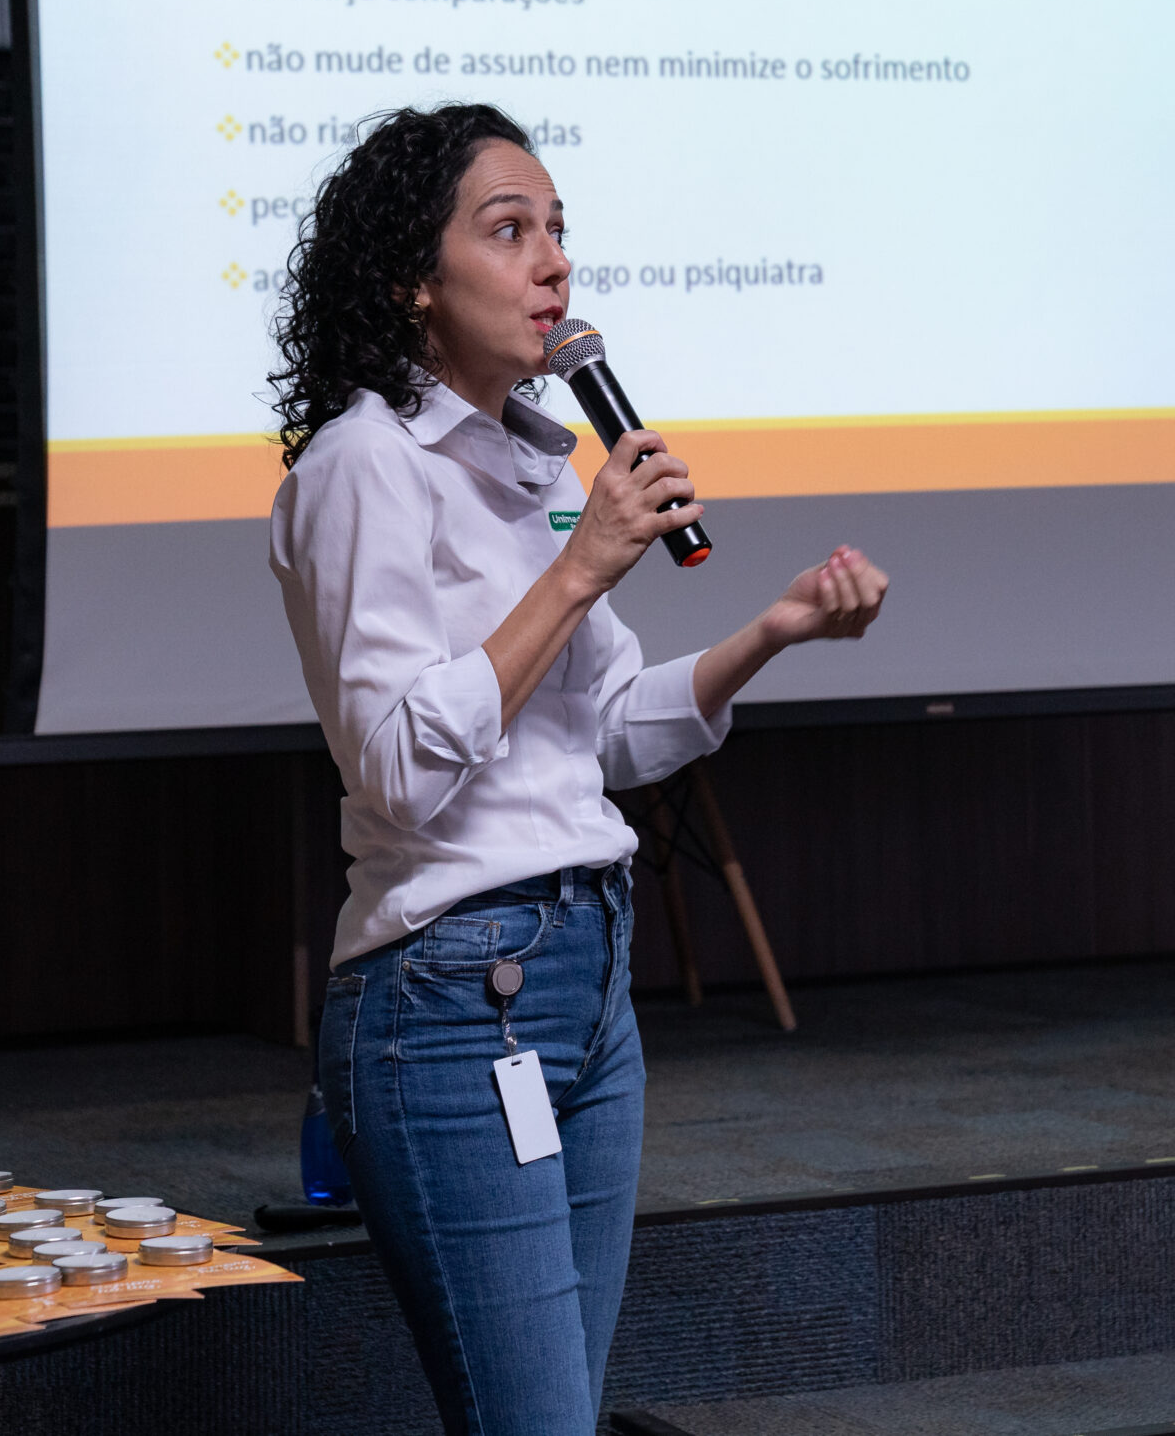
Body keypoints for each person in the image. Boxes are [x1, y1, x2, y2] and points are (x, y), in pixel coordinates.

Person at [265, 103, 887, 1435]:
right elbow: (393, 770)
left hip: (588, 985)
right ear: (411, 284)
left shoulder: (537, 470)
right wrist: (580, 566)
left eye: (560, 232)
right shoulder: (362, 464)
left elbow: (609, 735)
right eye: (509, 231)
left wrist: (772, 633)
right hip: (450, 998)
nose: (552, 263)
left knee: (559, 1416)